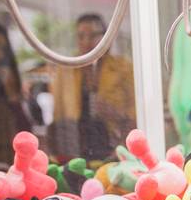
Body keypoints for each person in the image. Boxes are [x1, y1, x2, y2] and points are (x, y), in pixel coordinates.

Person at [50, 13, 135, 161]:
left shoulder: (123, 69)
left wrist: (116, 114)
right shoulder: (66, 71)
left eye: (94, 36)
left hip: (113, 145)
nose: (87, 42)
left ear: (107, 38)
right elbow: (59, 114)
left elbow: (136, 113)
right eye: (81, 36)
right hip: (76, 145)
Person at [0, 21, 31, 165]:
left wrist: (12, 97)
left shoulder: (7, 87)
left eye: (3, 49)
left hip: (5, 169)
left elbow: (26, 133)